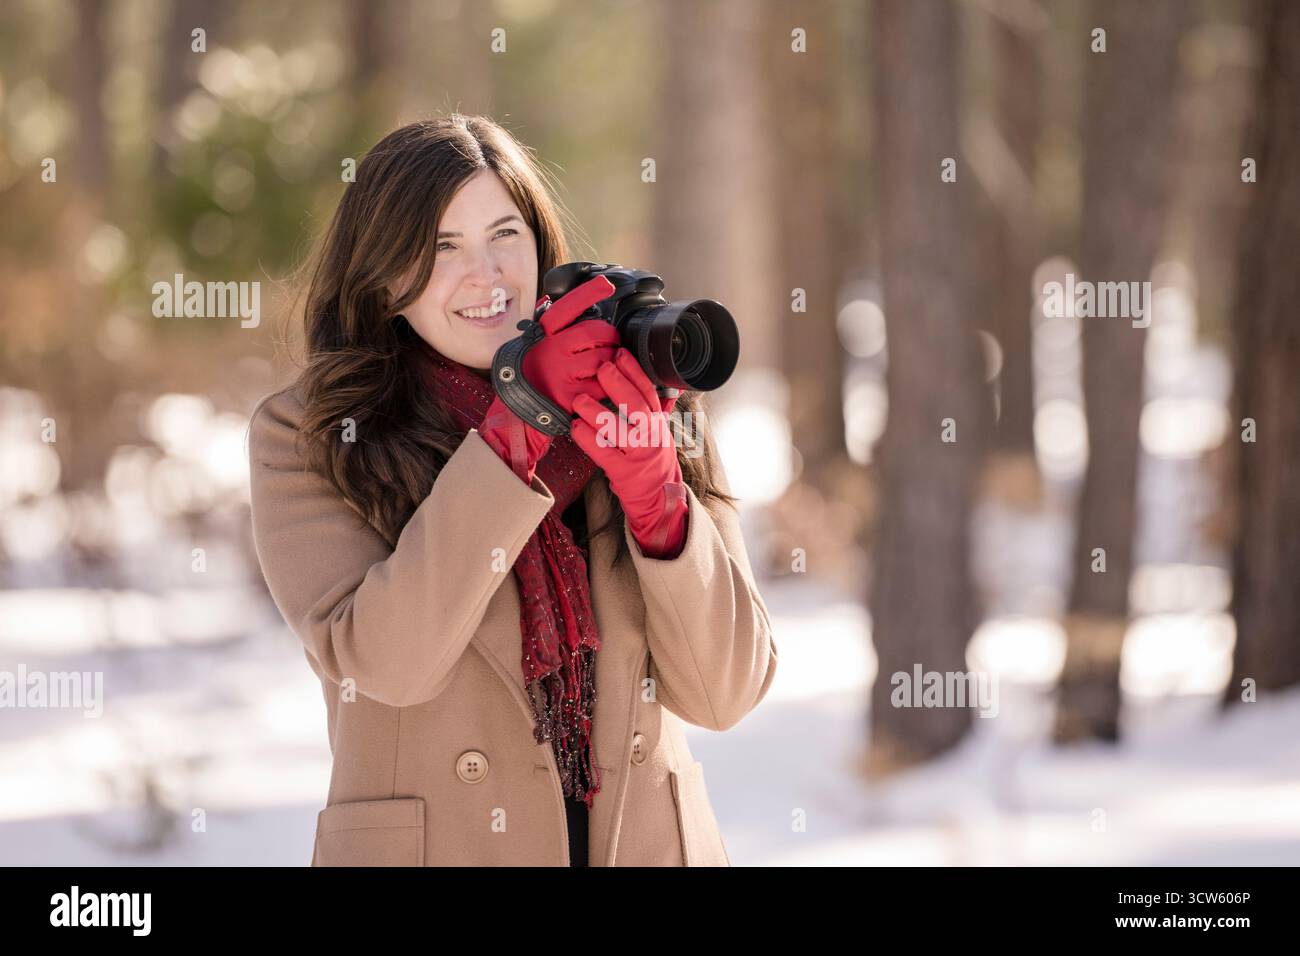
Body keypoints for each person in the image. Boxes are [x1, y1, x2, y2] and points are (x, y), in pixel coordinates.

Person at [245, 114, 776, 866]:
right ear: (381, 274)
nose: (486, 276)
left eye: (504, 235)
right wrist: (517, 428)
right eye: (441, 248)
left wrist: (659, 504)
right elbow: (387, 663)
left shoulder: (643, 395)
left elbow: (727, 693)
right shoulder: (315, 434)